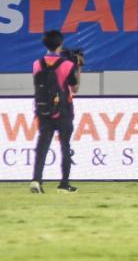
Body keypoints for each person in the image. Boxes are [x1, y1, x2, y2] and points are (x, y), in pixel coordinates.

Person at [30, 30, 81, 194]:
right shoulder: (68, 65)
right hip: (63, 110)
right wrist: (78, 67)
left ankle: (36, 180)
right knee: (65, 146)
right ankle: (64, 184)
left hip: (43, 109)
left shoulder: (37, 64)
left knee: (42, 145)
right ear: (60, 44)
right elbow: (75, 88)